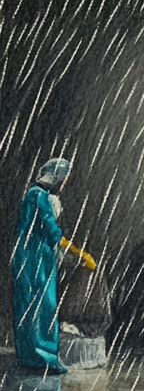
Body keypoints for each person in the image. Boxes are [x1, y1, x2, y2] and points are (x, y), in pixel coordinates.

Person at [13, 158, 93, 374]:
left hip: (26, 257)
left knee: (27, 306)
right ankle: (45, 358)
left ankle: (29, 356)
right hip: (37, 259)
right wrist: (79, 253)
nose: (64, 184)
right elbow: (51, 230)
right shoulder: (39, 197)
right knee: (43, 306)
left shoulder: (32, 194)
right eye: (64, 179)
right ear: (56, 177)